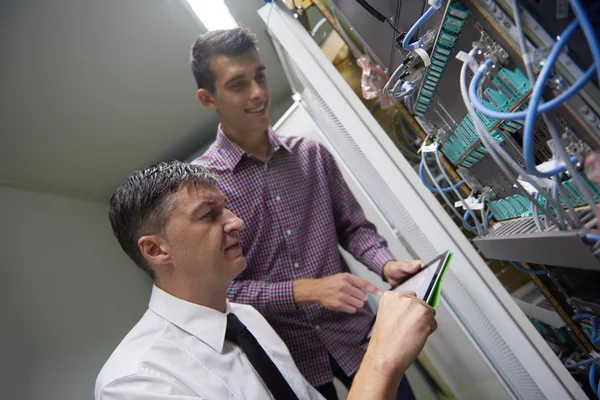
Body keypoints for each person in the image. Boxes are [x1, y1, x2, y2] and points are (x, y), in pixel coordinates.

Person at [190, 27, 425, 399]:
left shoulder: (311, 155)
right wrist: (304, 291)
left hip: (355, 334)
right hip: (285, 358)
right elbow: (223, 290)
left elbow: (353, 228)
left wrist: (385, 264)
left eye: (260, 76)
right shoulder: (203, 190)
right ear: (208, 98)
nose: (258, 93)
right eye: (237, 84)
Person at [95, 160, 438, 399]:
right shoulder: (139, 382)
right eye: (208, 215)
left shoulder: (249, 320)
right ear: (156, 250)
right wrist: (383, 359)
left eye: (226, 208)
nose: (236, 222)